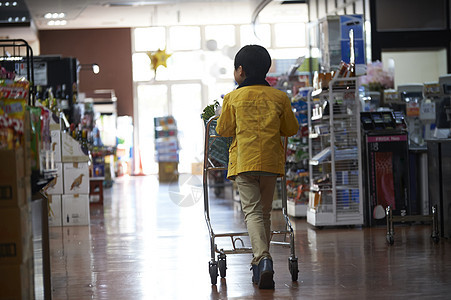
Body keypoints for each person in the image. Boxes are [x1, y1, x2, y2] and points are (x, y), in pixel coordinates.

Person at [216, 45, 299, 289]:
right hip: (270, 163)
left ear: (240, 71)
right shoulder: (279, 97)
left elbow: (223, 130)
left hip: (244, 162)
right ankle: (259, 263)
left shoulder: (233, 98)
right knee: (263, 213)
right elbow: (291, 129)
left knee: (252, 212)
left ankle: (263, 259)